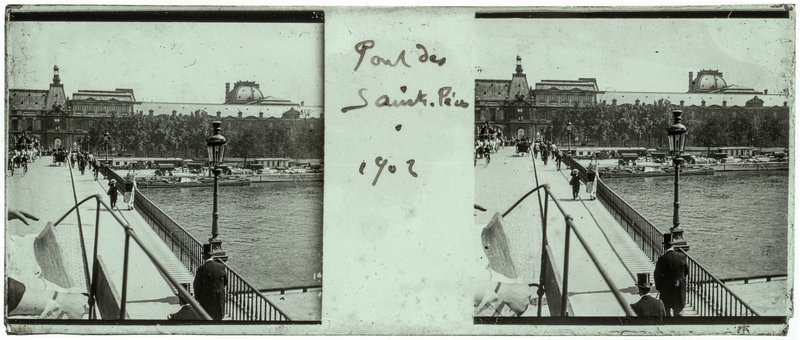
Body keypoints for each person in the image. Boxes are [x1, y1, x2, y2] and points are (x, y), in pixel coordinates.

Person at [654, 234, 689, 317]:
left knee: (666, 312)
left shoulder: (662, 259)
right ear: (673, 245)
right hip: (679, 290)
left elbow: (657, 275)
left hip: (666, 291)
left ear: (664, 246)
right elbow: (686, 272)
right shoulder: (682, 256)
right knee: (679, 312)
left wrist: (659, 287)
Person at [193, 244, 228, 320]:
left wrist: (198, 298)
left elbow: (196, 285)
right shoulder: (221, 267)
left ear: (203, 257)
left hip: (206, 301)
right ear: (213, 256)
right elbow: (225, 282)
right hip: (219, 300)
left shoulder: (202, 269)